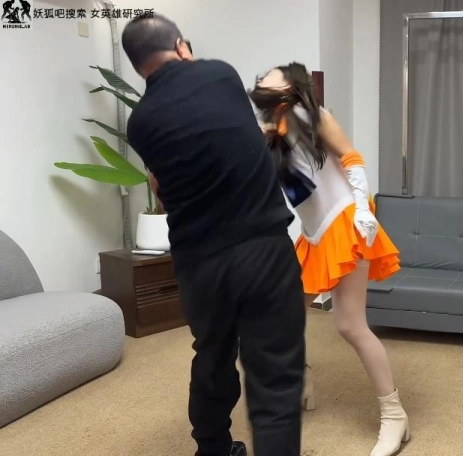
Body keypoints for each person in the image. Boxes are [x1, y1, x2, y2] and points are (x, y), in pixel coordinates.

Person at [121, 14, 305, 456]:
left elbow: (162, 188)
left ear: (138, 65)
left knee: (212, 355)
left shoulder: (140, 122)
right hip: (262, 250)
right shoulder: (220, 74)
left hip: (198, 264)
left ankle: (213, 449)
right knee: (275, 377)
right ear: (181, 47)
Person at [249, 62, 410, 456]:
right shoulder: (269, 130)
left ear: (290, 85)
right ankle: (301, 378)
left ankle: (395, 416)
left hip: (344, 223)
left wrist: (364, 210)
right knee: (286, 315)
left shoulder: (312, 115)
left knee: (350, 326)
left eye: (271, 73)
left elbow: (351, 157)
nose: (263, 76)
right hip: (313, 234)